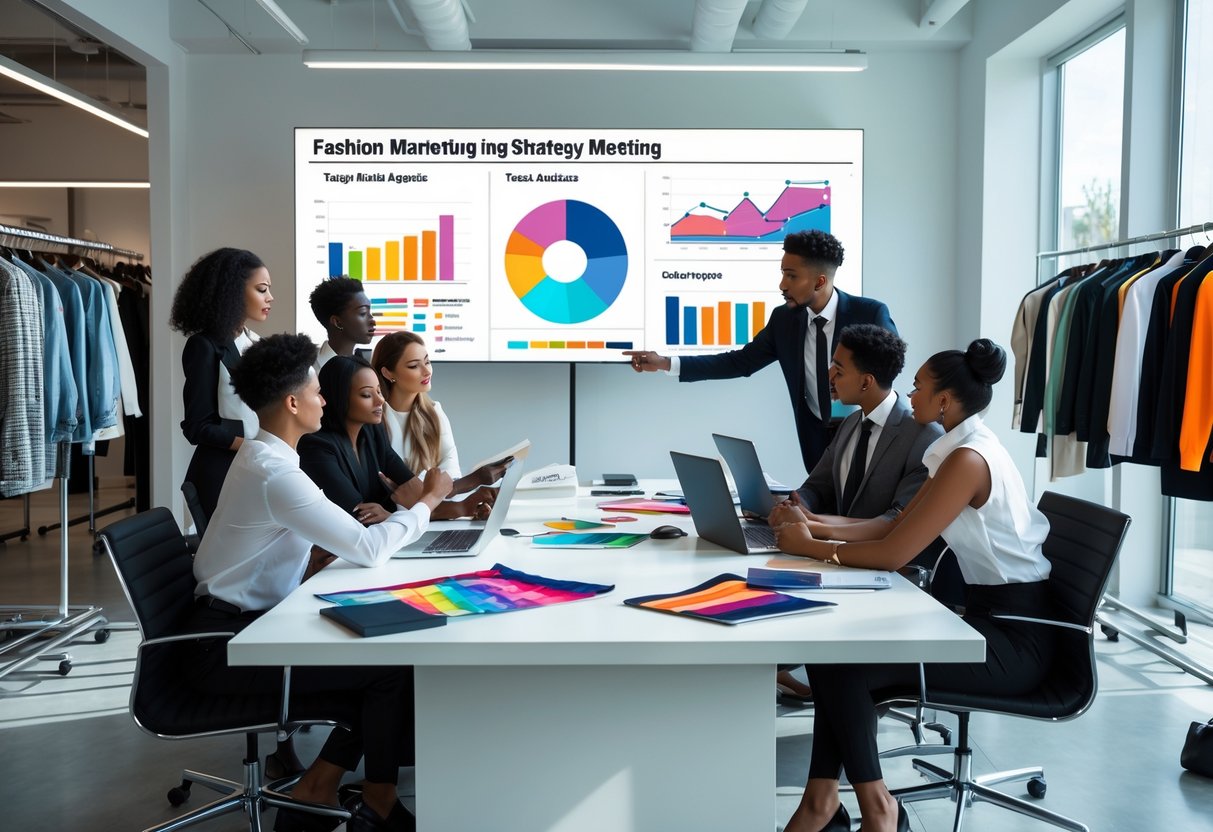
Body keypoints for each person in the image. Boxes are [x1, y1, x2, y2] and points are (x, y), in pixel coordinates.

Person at [772, 339, 1054, 832]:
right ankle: (821, 805)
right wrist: (813, 525)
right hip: (987, 619)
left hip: (1013, 641)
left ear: (944, 401)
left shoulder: (967, 460)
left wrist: (811, 546)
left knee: (842, 665)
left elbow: (894, 552)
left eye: (919, 387)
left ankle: (873, 810)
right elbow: (890, 525)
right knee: (833, 655)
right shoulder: (958, 450)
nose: (911, 394)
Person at [189, 333, 452, 832]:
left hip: (249, 626)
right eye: (317, 392)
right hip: (227, 648)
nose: (324, 400)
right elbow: (369, 547)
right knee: (391, 670)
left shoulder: (273, 461)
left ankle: (327, 788)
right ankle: (369, 797)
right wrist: (428, 502)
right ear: (292, 403)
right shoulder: (277, 474)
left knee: (387, 657)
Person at [623, 230, 897, 475]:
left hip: (866, 436)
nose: (782, 285)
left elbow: (888, 369)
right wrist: (666, 363)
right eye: (782, 273)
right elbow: (739, 362)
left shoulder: (869, 313)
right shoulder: (784, 320)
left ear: (819, 281)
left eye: (791, 276)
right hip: (816, 442)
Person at [768, 324, 943, 703]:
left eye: (838, 368)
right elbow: (818, 487)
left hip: (886, 574)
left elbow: (896, 521)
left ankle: (789, 671)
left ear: (866, 382)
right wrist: (795, 505)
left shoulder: (923, 435)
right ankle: (779, 670)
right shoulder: (849, 424)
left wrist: (812, 528)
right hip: (841, 562)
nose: (829, 375)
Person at [299, 355, 495, 522]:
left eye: (378, 391)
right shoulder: (316, 447)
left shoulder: (372, 432)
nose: (380, 400)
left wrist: (462, 507)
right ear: (339, 398)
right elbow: (359, 518)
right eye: (367, 395)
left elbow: (419, 494)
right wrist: (455, 507)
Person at [170, 247, 273, 525]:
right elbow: (197, 427)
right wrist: (253, 448)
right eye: (262, 289)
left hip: (255, 468)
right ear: (233, 292)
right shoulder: (204, 346)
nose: (270, 297)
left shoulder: (255, 342)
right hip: (222, 475)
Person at [370, 332, 510, 495]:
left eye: (427, 362)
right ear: (388, 373)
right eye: (414, 366)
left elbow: (451, 473)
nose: (426, 371)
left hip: (435, 508)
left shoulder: (434, 412)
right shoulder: (376, 418)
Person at [309, 276, 375, 370]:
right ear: (337, 322)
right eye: (363, 313)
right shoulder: (309, 372)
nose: (373, 321)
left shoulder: (366, 368)